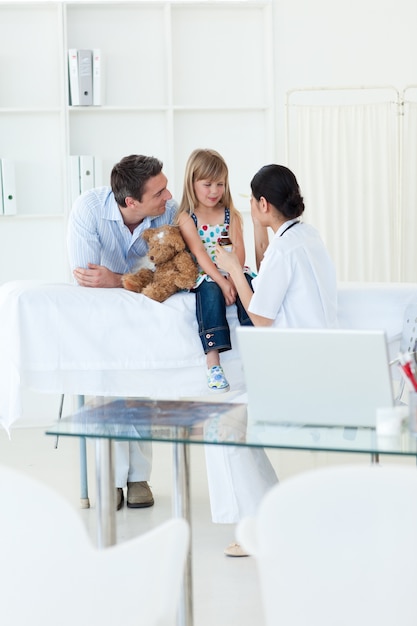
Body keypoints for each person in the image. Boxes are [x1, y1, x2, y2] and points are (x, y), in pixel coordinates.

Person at [206, 163, 337, 557]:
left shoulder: (285, 247)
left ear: (262, 203)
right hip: (321, 369)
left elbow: (261, 318)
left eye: (252, 200)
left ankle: (262, 524)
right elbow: (275, 283)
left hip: (297, 376)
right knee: (231, 424)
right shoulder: (307, 237)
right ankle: (269, 515)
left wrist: (231, 268)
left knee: (222, 427)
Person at [67, 154, 177, 511]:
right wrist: (129, 284)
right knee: (106, 388)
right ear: (132, 202)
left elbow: (171, 275)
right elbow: (87, 279)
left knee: (142, 386)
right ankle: (111, 478)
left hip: (146, 311)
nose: (169, 195)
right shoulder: (88, 209)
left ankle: (138, 477)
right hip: (97, 316)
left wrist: (117, 280)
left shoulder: (169, 212)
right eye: (159, 191)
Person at [176, 148, 253, 393]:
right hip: (208, 274)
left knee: (250, 288)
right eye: (207, 184)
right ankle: (213, 363)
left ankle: (257, 355)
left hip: (232, 271)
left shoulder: (231, 215)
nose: (214, 191)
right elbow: (199, 254)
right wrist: (222, 281)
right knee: (209, 292)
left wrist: (235, 276)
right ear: (192, 183)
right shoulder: (188, 218)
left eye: (219, 184)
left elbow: (238, 250)